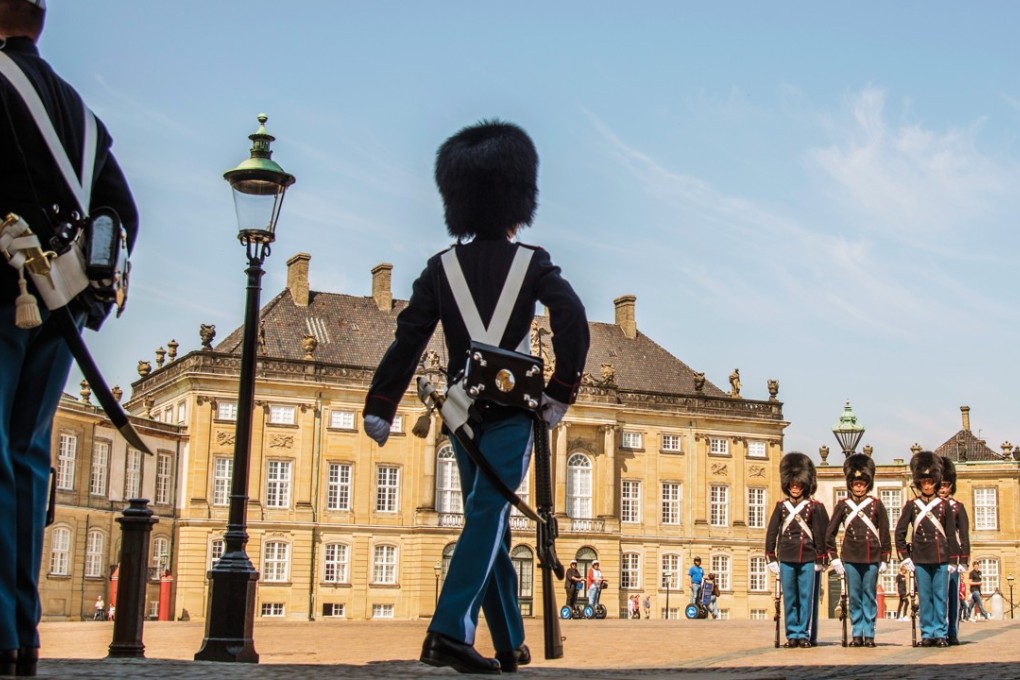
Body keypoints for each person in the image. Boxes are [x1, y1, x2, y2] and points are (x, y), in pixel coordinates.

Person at [362, 120, 589, 675]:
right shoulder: (532, 263)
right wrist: (561, 389)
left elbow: (409, 336)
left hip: (461, 414)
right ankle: (447, 632)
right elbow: (573, 319)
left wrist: (381, 403)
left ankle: (509, 640)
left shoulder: (439, 269)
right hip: (512, 411)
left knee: (487, 520)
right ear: (517, 203)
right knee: (489, 518)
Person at [1, 1, 138, 676]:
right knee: (26, 458)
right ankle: (20, 630)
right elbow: (121, 212)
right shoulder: (84, 116)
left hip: (7, 298)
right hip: (59, 310)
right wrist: (87, 290)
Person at [825, 453, 892, 648]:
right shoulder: (843, 506)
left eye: (862, 482)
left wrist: (885, 558)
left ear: (867, 484)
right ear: (850, 484)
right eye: (855, 483)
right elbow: (830, 533)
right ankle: (856, 632)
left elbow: (885, 531)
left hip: (872, 556)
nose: (859, 486)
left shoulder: (876, 505)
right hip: (851, 557)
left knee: (869, 595)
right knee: (854, 597)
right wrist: (834, 558)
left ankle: (869, 632)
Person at [894, 451, 959, 648]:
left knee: (940, 597)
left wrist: (953, 560)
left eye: (931, 481)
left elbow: (950, 535)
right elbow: (900, 531)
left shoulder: (944, 506)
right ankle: (927, 633)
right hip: (921, 557)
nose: (928, 485)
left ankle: (940, 632)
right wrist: (905, 557)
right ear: (919, 483)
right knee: (925, 598)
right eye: (924, 481)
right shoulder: (912, 506)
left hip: (940, 557)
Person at [766, 452, 829, 648]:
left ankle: (804, 633)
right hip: (786, 555)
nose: (795, 487)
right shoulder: (781, 506)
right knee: (790, 598)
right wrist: (771, 556)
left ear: (804, 485)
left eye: (798, 484)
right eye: (792, 484)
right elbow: (773, 532)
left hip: (808, 557)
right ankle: (792, 633)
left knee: (805, 598)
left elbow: (820, 533)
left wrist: (820, 558)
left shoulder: (814, 507)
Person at [938, 456, 970, 644]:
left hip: (952, 557)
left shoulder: (958, 507)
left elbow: (964, 535)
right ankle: (939, 631)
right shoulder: (929, 507)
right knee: (936, 597)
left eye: (946, 485)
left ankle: (952, 632)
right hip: (933, 555)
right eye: (940, 484)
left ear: (951, 487)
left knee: (952, 597)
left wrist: (964, 560)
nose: (942, 488)